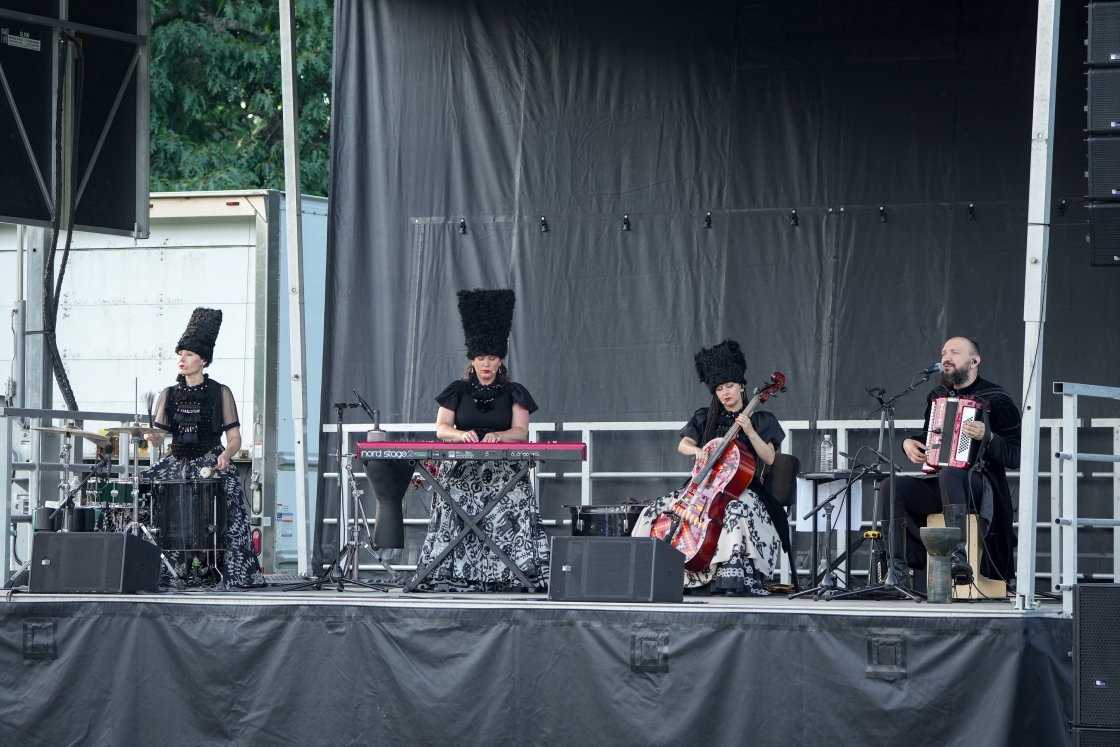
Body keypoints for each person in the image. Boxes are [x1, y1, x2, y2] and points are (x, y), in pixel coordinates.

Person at [414, 288, 549, 591]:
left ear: (500, 361)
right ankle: (452, 575)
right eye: (480, 358)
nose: (486, 364)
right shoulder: (456, 391)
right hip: (461, 472)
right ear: (472, 360)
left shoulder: (514, 391)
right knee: (456, 512)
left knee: (508, 514)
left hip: (505, 475)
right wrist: (460, 435)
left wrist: (500, 435)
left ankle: (510, 576)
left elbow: (521, 432)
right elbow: (442, 429)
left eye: (491, 358)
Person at [632, 340, 786, 596]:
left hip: (743, 489)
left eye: (730, 386)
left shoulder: (761, 419)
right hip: (701, 487)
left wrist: (748, 430)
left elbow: (769, 457)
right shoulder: (705, 416)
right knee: (655, 509)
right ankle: (648, 569)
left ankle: (729, 577)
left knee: (734, 510)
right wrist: (698, 451)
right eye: (719, 388)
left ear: (741, 387)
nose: (726, 392)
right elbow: (683, 445)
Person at [880, 336, 1021, 587]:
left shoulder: (997, 398)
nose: (945, 358)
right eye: (944, 352)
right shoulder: (938, 396)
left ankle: (958, 559)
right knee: (892, 485)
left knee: (951, 473)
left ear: (974, 361)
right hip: (945, 480)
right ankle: (898, 572)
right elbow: (929, 435)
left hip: (982, 485)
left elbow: (1016, 455)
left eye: (954, 352)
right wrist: (908, 443)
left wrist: (988, 438)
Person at [141, 307, 265, 588]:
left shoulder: (221, 392)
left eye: (188, 354)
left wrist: (225, 454)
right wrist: (152, 439)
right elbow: (160, 437)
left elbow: (234, 438)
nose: (181, 359)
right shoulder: (168, 394)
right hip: (176, 460)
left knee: (230, 496)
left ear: (203, 360)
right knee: (141, 491)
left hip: (210, 459)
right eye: (180, 353)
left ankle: (230, 572)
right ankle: (158, 567)